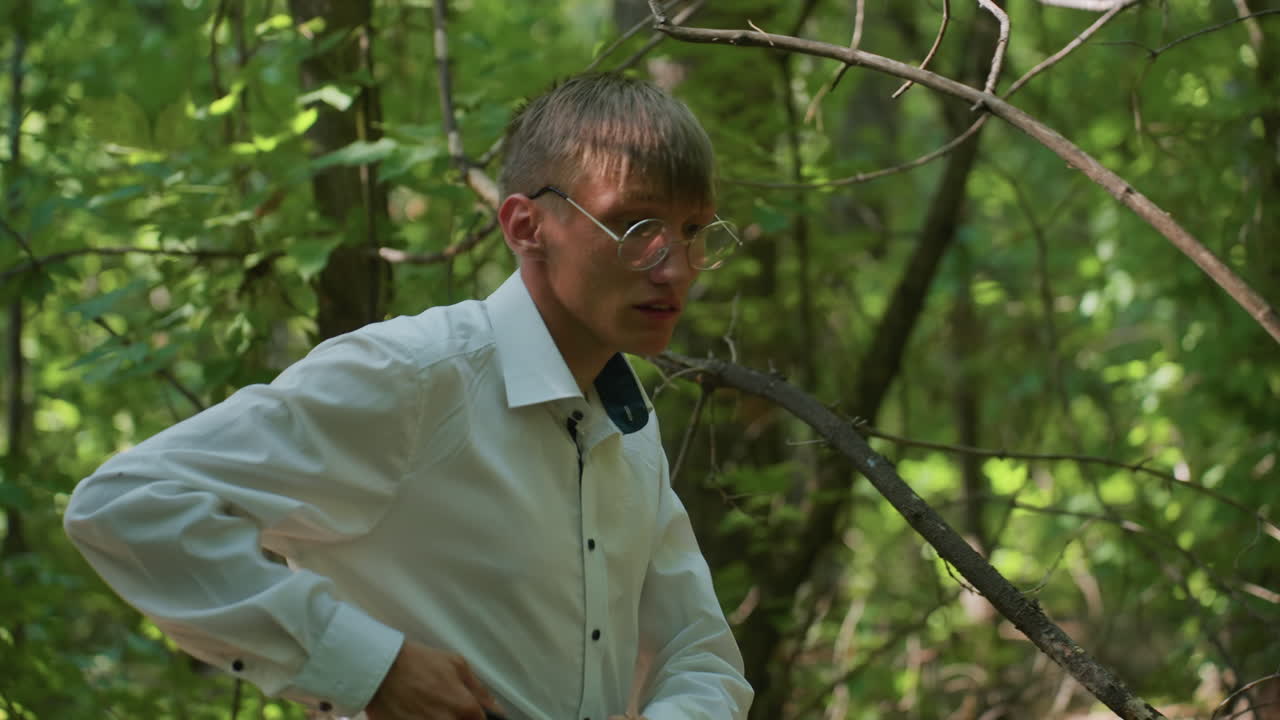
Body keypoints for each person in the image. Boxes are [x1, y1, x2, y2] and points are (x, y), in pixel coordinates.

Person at [63, 72, 753, 720]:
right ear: (525, 227)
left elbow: (698, 654)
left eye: (694, 231)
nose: (675, 267)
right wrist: (371, 667)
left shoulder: (628, 427)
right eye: (635, 227)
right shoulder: (418, 376)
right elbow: (128, 505)